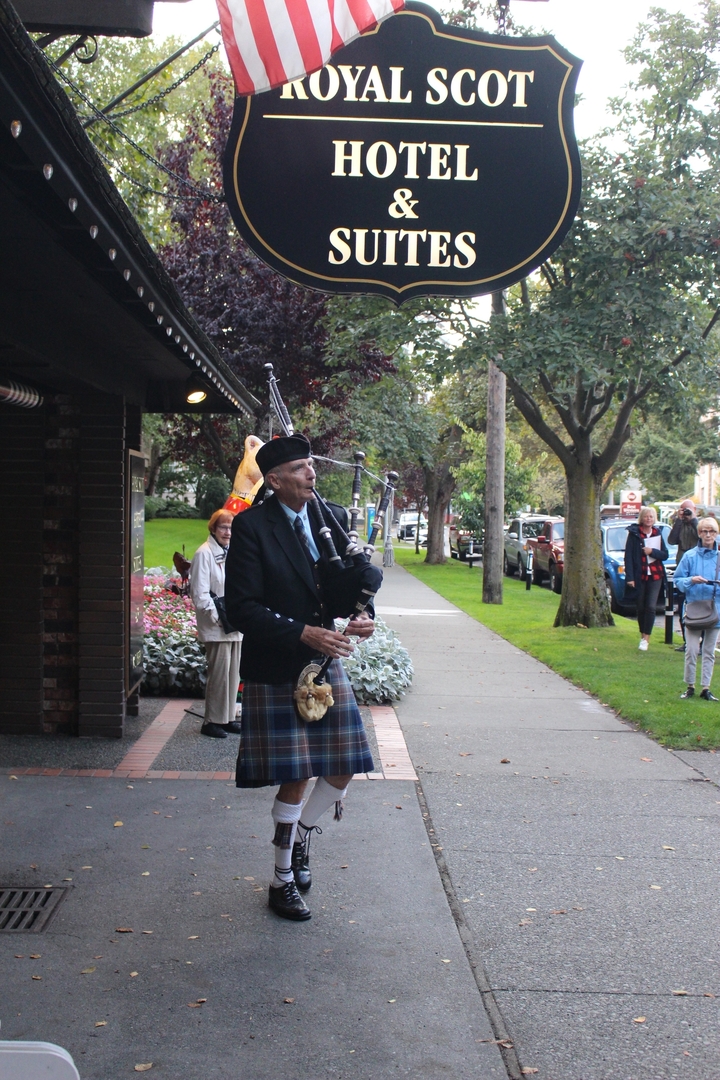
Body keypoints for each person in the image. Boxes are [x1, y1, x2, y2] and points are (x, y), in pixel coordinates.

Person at [224, 434, 376, 922]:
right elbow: (241, 607)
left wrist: (363, 614)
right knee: (296, 778)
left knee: (344, 766)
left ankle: (302, 836)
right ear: (274, 480)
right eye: (300, 467)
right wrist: (303, 633)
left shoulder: (329, 515)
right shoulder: (252, 526)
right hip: (278, 663)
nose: (312, 473)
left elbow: (350, 581)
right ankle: (281, 879)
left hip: (323, 664)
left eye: (311, 464)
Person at [189, 509, 243, 739]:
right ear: (213, 528)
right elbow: (199, 594)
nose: (227, 532)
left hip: (235, 623)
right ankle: (211, 721)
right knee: (219, 675)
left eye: (231, 528)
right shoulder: (204, 553)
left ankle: (227, 718)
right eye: (223, 527)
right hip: (217, 625)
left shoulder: (232, 551)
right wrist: (218, 618)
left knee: (233, 674)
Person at [674, 517, 720, 701]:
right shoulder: (690, 556)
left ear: (716, 534)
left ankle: (706, 688)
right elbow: (678, 581)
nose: (708, 535)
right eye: (704, 531)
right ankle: (690, 686)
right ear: (699, 533)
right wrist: (691, 580)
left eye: (712, 531)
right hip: (693, 610)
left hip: (715, 610)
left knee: (709, 652)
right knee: (691, 650)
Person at [625, 506, 668, 652]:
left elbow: (665, 555)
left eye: (651, 516)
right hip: (640, 575)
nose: (648, 519)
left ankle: (646, 638)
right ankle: (642, 633)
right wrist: (630, 577)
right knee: (641, 607)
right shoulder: (634, 534)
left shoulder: (658, 533)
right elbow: (628, 557)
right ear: (642, 518)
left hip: (656, 575)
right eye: (646, 516)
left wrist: (652, 552)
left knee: (650, 606)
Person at [668, 500, 699, 650]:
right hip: (683, 569)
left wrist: (693, 519)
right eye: (683, 509)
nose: (685, 512)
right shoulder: (680, 524)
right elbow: (671, 540)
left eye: (688, 509)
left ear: (694, 509)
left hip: (697, 569)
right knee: (682, 607)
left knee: (699, 606)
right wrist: (679, 520)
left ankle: (701, 642)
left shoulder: (699, 524)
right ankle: (687, 642)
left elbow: (702, 536)